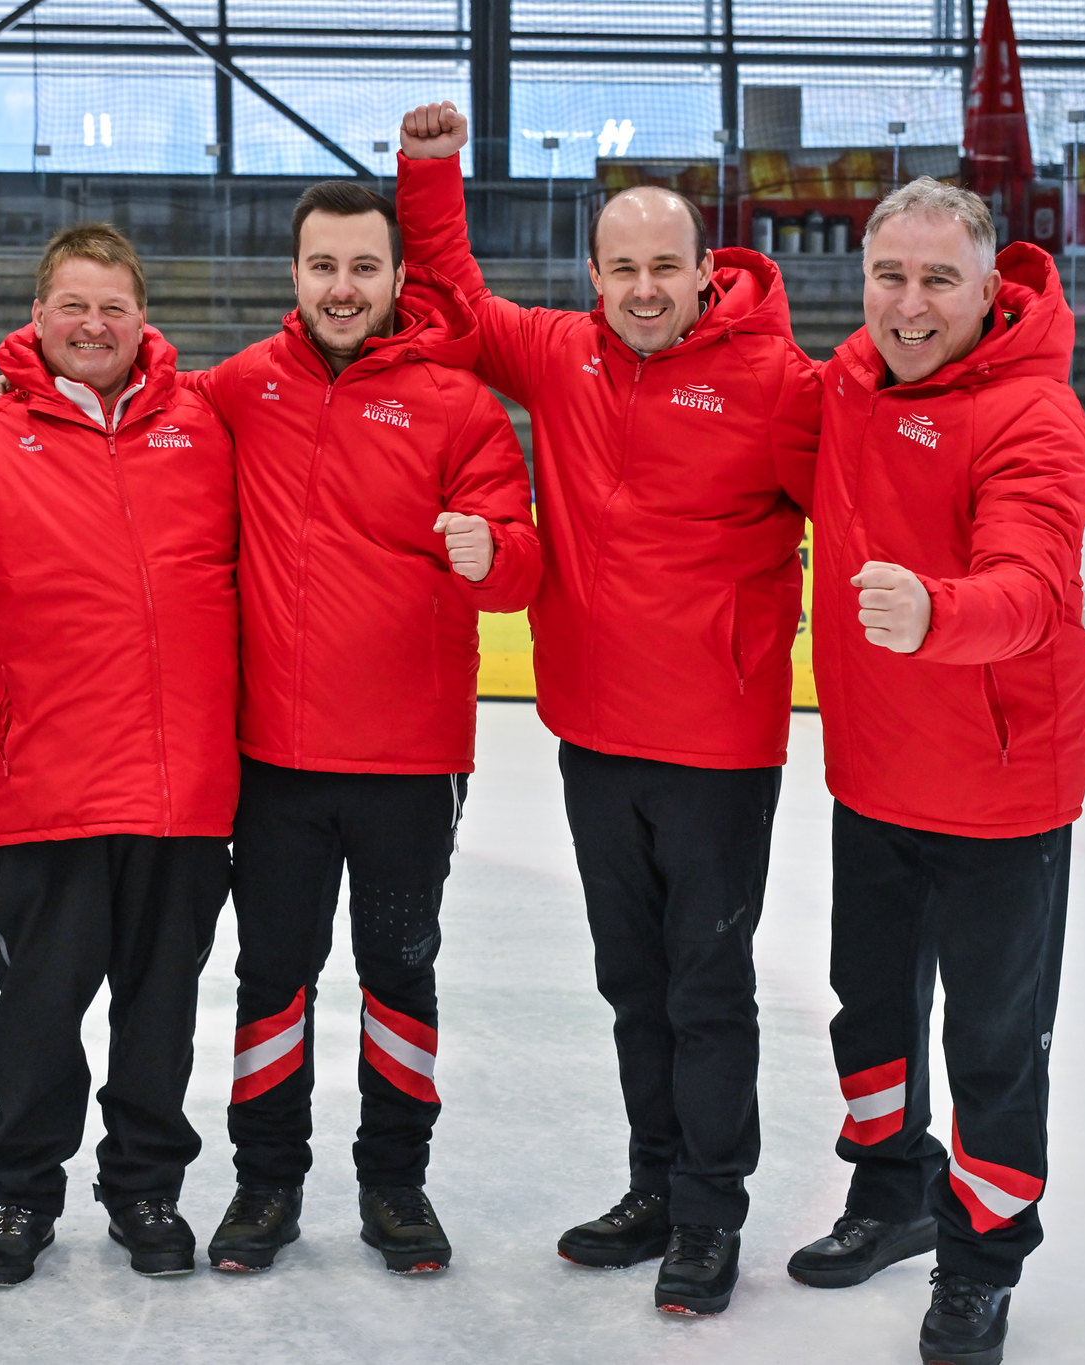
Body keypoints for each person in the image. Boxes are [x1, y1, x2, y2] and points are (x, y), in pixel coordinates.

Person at [397, 103, 819, 1314]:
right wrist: (429, 172)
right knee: (630, 981)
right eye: (620, 268)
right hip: (592, 733)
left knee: (703, 985)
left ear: (706, 272)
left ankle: (708, 1213)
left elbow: (858, 509)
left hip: (716, 747)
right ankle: (653, 1186)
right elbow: (455, 300)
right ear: (593, 275)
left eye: (663, 268)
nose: (642, 289)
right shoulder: (559, 356)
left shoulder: (778, 385)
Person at [0, 223, 239, 1288]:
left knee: (161, 1014)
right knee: (38, 1015)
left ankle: (145, 1189)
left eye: (113, 310)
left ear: (143, 322)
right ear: (37, 318)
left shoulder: (204, 428)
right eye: (73, 307)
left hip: (184, 789)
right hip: (47, 783)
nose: (93, 327)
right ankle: (20, 1195)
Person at [187, 181, 538, 1275]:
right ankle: (265, 1184)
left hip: (407, 761)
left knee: (398, 976)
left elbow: (517, 564)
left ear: (396, 279)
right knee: (270, 979)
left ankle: (394, 1186)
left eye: (363, 268)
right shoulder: (240, 387)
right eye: (323, 267)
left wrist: (492, 557)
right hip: (273, 759)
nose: (343, 288)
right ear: (293, 276)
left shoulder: (459, 403)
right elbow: (121, 388)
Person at [789, 178, 1085, 1365]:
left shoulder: (1033, 415)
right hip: (872, 775)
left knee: (990, 1044)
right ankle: (890, 1192)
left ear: (985, 289)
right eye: (887, 277)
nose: (907, 305)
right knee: (866, 1013)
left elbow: (1028, 585)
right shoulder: (846, 387)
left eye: (936, 281)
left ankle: (978, 1261)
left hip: (996, 793)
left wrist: (935, 612)